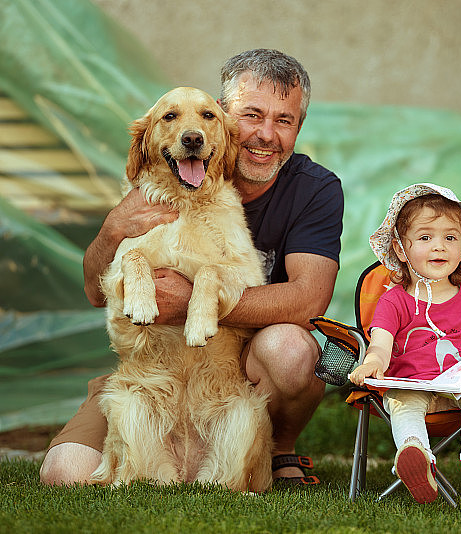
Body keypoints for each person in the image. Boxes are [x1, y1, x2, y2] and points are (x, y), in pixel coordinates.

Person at [39, 49, 344, 487]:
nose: (264, 134)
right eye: (251, 115)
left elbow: (308, 299)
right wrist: (112, 231)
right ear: (223, 116)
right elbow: (94, 291)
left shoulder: (314, 189)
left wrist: (192, 302)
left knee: (291, 349)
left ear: (299, 127)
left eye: (284, 120)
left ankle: (278, 449)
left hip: (235, 366)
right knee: (65, 474)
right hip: (153, 367)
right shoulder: (157, 180)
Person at [348, 183, 461, 503]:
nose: (439, 247)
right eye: (426, 237)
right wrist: (373, 362)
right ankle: (416, 457)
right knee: (402, 400)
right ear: (402, 249)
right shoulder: (394, 302)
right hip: (413, 385)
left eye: (450, 237)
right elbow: (380, 343)